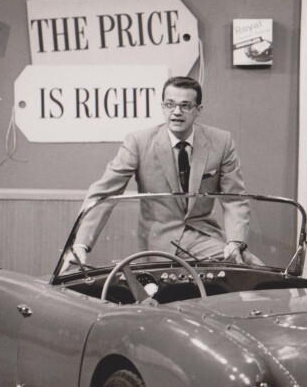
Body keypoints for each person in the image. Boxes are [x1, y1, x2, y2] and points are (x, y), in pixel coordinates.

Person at [68, 76, 252, 267]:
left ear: (198, 110)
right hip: (160, 241)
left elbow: (235, 199)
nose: (176, 112)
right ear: (162, 107)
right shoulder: (138, 142)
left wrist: (234, 242)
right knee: (249, 266)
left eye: (185, 105)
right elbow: (103, 193)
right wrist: (80, 244)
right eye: (170, 104)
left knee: (251, 268)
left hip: (205, 236)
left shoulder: (221, 142)